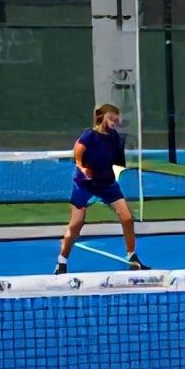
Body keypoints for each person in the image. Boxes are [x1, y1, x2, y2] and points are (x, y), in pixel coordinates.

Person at [55, 104, 143, 275]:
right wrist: (82, 168)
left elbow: (117, 161)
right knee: (76, 224)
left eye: (117, 119)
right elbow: (78, 154)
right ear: (102, 117)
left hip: (107, 184)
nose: (115, 122)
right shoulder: (89, 136)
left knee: (127, 218)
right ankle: (61, 262)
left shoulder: (115, 137)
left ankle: (132, 256)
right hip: (84, 184)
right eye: (112, 118)